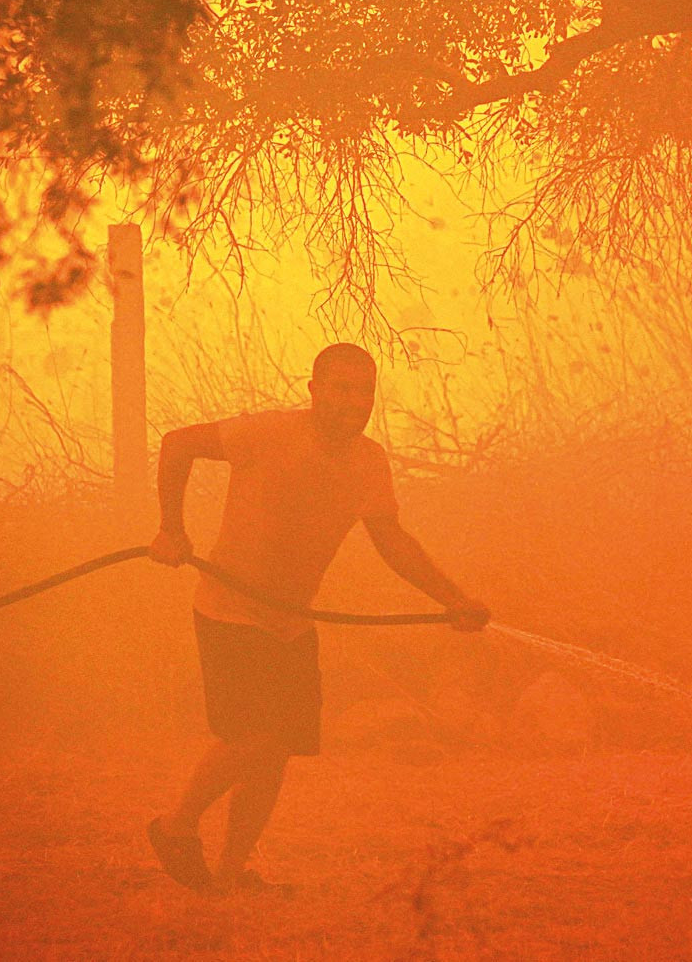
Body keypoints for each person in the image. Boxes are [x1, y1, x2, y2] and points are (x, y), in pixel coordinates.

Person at [145, 342, 490, 895]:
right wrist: (171, 528)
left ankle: (228, 879)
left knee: (275, 753)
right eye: (341, 388)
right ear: (313, 390)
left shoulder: (368, 463)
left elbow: (391, 539)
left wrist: (453, 598)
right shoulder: (268, 432)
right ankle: (176, 826)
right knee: (257, 737)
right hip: (230, 611)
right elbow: (177, 444)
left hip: (292, 623)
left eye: (364, 391)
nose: (354, 402)